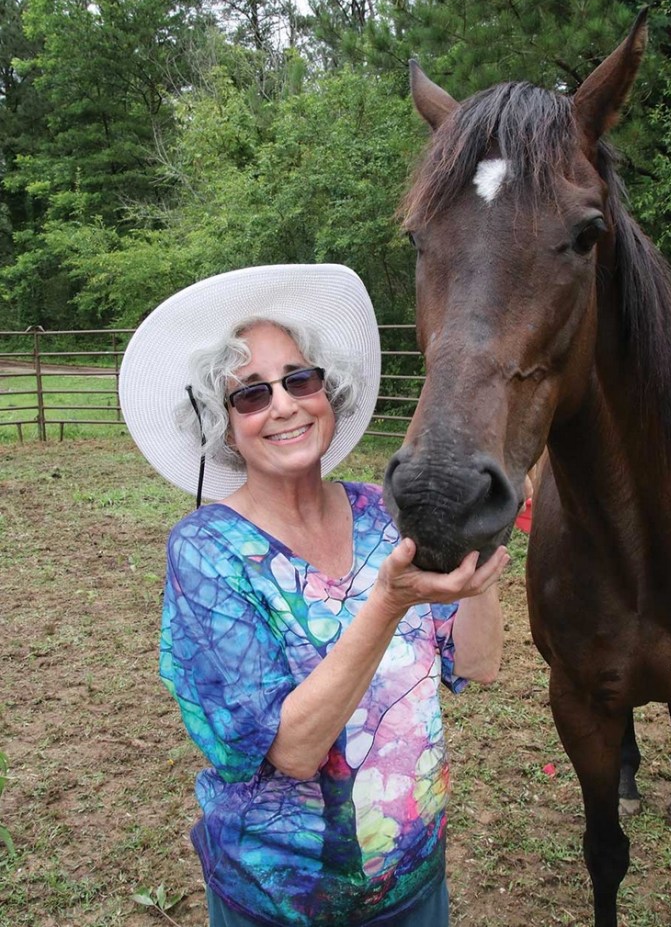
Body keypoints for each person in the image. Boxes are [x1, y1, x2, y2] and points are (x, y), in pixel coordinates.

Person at [119, 264, 509, 927]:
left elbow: (477, 662)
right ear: (224, 421)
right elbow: (293, 748)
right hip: (278, 901)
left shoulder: (382, 513)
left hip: (412, 881)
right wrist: (385, 602)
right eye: (250, 394)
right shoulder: (207, 551)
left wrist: (481, 544)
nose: (284, 404)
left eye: (300, 379)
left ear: (328, 390)